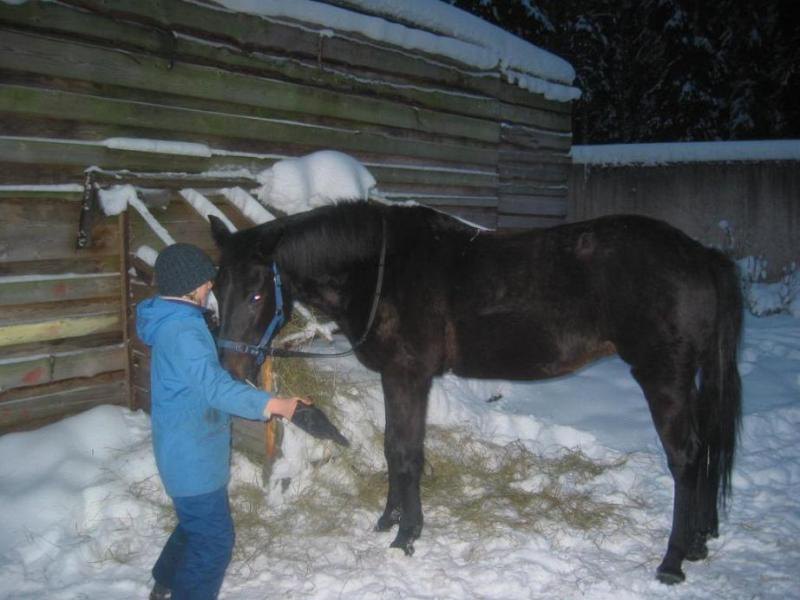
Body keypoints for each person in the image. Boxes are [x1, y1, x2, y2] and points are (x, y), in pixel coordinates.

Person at [136, 243, 305, 600]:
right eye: (205, 283)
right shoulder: (184, 331)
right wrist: (276, 404)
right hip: (191, 456)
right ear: (188, 286)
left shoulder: (174, 321)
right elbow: (214, 388)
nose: (209, 288)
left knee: (194, 525)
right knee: (214, 539)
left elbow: (201, 380)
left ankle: (165, 581)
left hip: (187, 448)